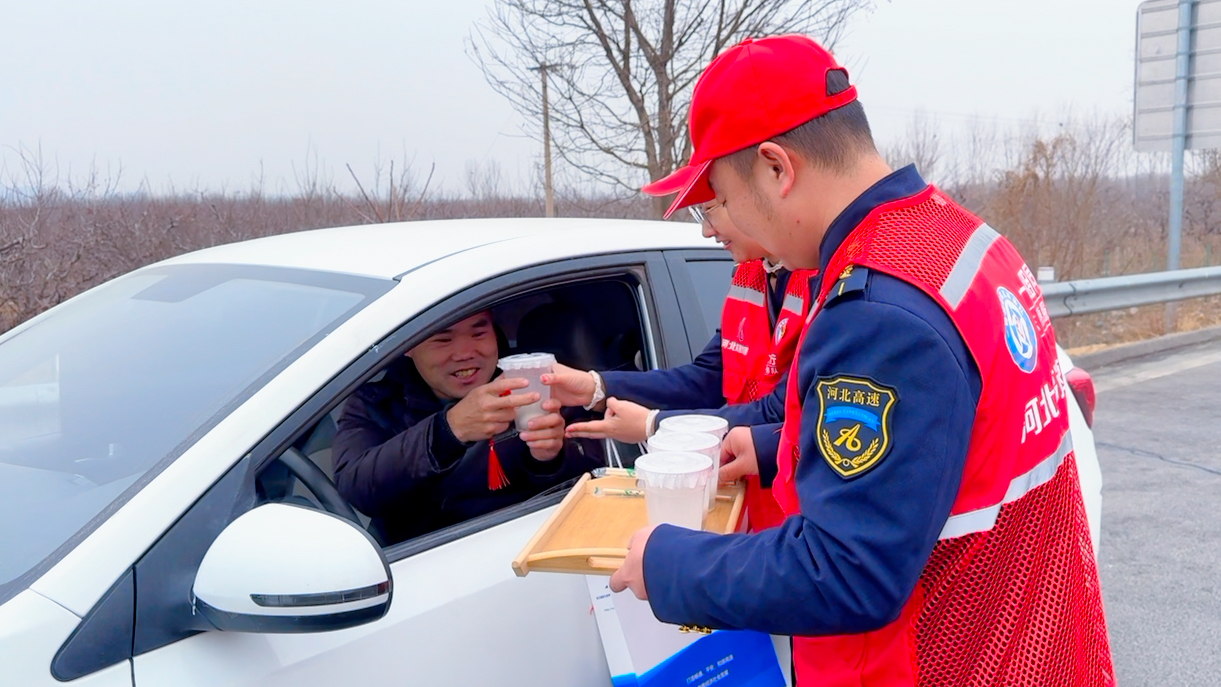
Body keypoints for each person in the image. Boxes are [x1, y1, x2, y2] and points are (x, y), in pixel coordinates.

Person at [608, 35, 1114, 686]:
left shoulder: (876, 310)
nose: (720, 226)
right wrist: (773, 446)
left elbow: (847, 566)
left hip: (942, 662)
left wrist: (669, 564)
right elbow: (936, 448)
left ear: (775, 168)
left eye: (723, 199)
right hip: (1027, 646)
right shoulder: (961, 242)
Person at [546, 208, 812, 530]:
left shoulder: (822, 280)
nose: (707, 231)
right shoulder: (751, 275)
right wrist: (596, 387)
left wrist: (654, 425)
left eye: (711, 209)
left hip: (800, 507)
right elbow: (707, 378)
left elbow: (781, 411)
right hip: (749, 503)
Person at [332, 311, 602, 545]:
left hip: (523, 546)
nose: (464, 353)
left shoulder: (535, 385)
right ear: (409, 346)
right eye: (443, 340)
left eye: (478, 333)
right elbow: (358, 487)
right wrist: (447, 431)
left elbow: (596, 483)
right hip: (422, 560)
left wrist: (550, 459)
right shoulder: (376, 402)